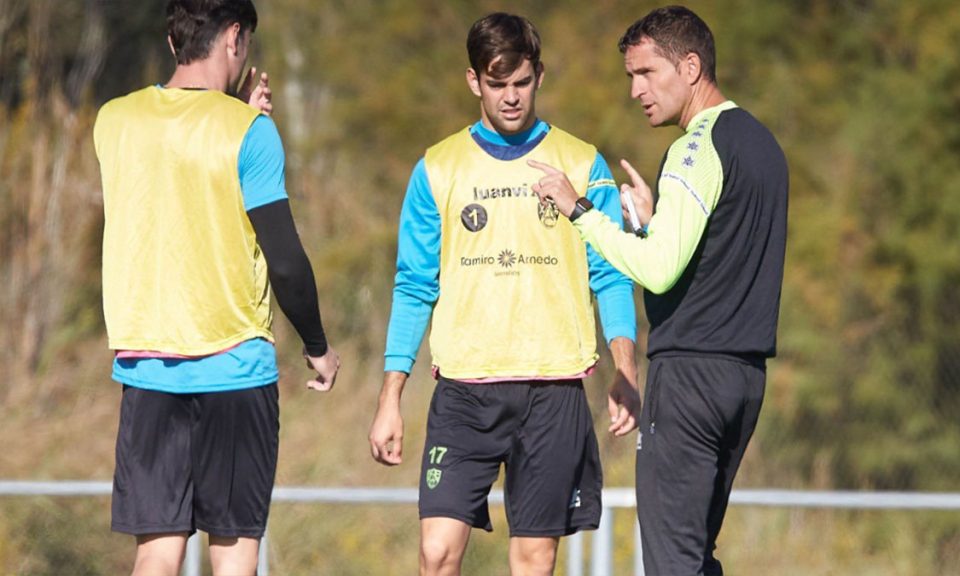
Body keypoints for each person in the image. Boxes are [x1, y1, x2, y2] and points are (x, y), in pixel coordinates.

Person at [368, 12, 641, 576]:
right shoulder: (438, 168)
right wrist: (390, 396)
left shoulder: (582, 162)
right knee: (436, 553)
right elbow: (414, 285)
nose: (511, 97)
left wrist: (625, 368)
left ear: (539, 75)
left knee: (534, 560)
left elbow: (610, 273)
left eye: (521, 82)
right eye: (497, 85)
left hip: (554, 391)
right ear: (474, 82)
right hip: (464, 393)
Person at [531, 5, 789, 574]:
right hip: (743, 381)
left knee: (672, 563)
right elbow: (710, 260)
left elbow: (657, 271)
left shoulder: (696, 146)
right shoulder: (761, 142)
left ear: (691, 66)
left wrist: (579, 211)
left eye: (646, 73)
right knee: (696, 556)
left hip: (691, 380)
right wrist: (650, 224)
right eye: (630, 76)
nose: (634, 90)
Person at [93, 1, 340, 574]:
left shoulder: (113, 120)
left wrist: (230, 114)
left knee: (155, 554)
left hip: (147, 369)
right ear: (234, 37)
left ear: (174, 38)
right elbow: (285, 260)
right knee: (233, 551)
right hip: (235, 369)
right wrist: (319, 346)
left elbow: (177, 159)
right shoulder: (251, 133)